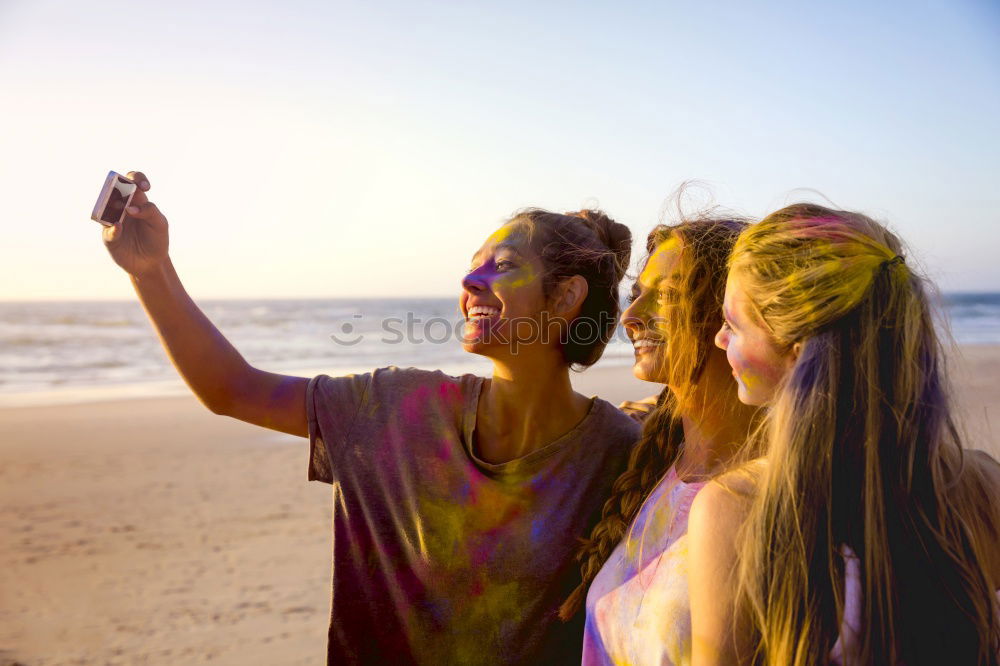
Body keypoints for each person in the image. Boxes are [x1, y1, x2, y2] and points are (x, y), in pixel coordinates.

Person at [100, 171, 642, 664]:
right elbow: (232, 389)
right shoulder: (396, 408)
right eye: (472, 265)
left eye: (501, 266)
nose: (471, 282)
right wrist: (151, 271)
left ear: (567, 296)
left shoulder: (624, 454)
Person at [693, 203, 1000, 665]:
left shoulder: (738, 507)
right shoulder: (980, 482)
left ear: (796, 355)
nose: (718, 339)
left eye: (733, 325)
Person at [556, 216, 758, 665]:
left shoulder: (769, 494)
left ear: (735, 312)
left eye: (666, 295)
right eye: (637, 295)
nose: (630, 317)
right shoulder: (649, 462)